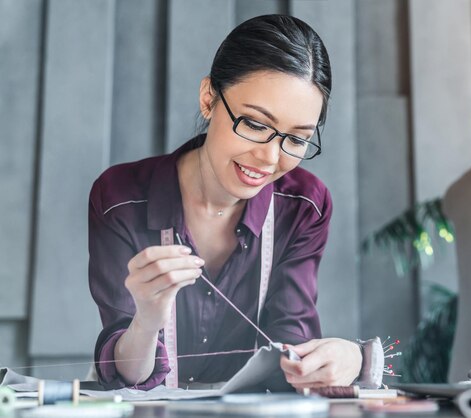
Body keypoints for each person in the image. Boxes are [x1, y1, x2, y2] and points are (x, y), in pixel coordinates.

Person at [89, 14, 381, 391]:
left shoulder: (304, 205)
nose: (270, 158)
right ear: (209, 99)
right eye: (256, 125)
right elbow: (125, 375)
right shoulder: (120, 198)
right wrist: (146, 319)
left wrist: (349, 357)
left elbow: (292, 345)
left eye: (295, 139)